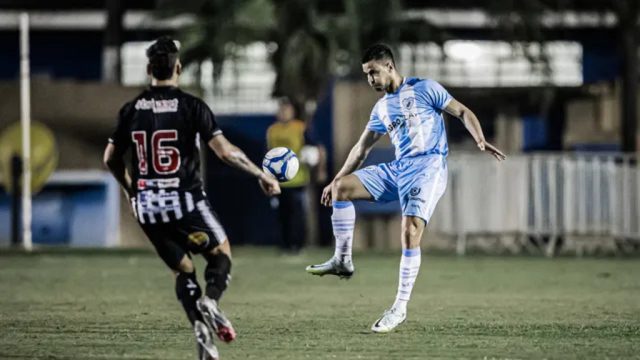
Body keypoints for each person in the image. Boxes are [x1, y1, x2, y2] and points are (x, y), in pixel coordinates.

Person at [305, 44, 506, 333]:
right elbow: (361, 148)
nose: (370, 79)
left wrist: (480, 139)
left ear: (389, 66)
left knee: (410, 230)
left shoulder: (425, 88)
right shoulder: (381, 107)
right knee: (341, 188)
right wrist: (336, 177)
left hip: (429, 166)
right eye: (366, 74)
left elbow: (461, 111)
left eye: (373, 72)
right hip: (400, 168)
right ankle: (342, 260)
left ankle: (399, 307)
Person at [103, 36, 280, 360]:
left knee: (183, 271)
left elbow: (111, 159)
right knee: (220, 254)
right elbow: (225, 152)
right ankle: (210, 301)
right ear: (178, 67)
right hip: (184, 200)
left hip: (147, 206)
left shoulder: (131, 110)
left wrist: (131, 190)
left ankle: (201, 332)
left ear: (148, 69)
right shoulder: (191, 106)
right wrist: (261, 174)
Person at [266, 97, 325, 254]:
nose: (283, 112)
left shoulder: (301, 128)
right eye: (281, 110)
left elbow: (316, 148)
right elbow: (269, 153)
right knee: (282, 214)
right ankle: (284, 245)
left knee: (297, 215)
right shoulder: (272, 130)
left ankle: (297, 245)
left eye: (286, 109)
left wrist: (319, 168)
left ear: (292, 111)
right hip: (278, 181)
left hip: (297, 179)